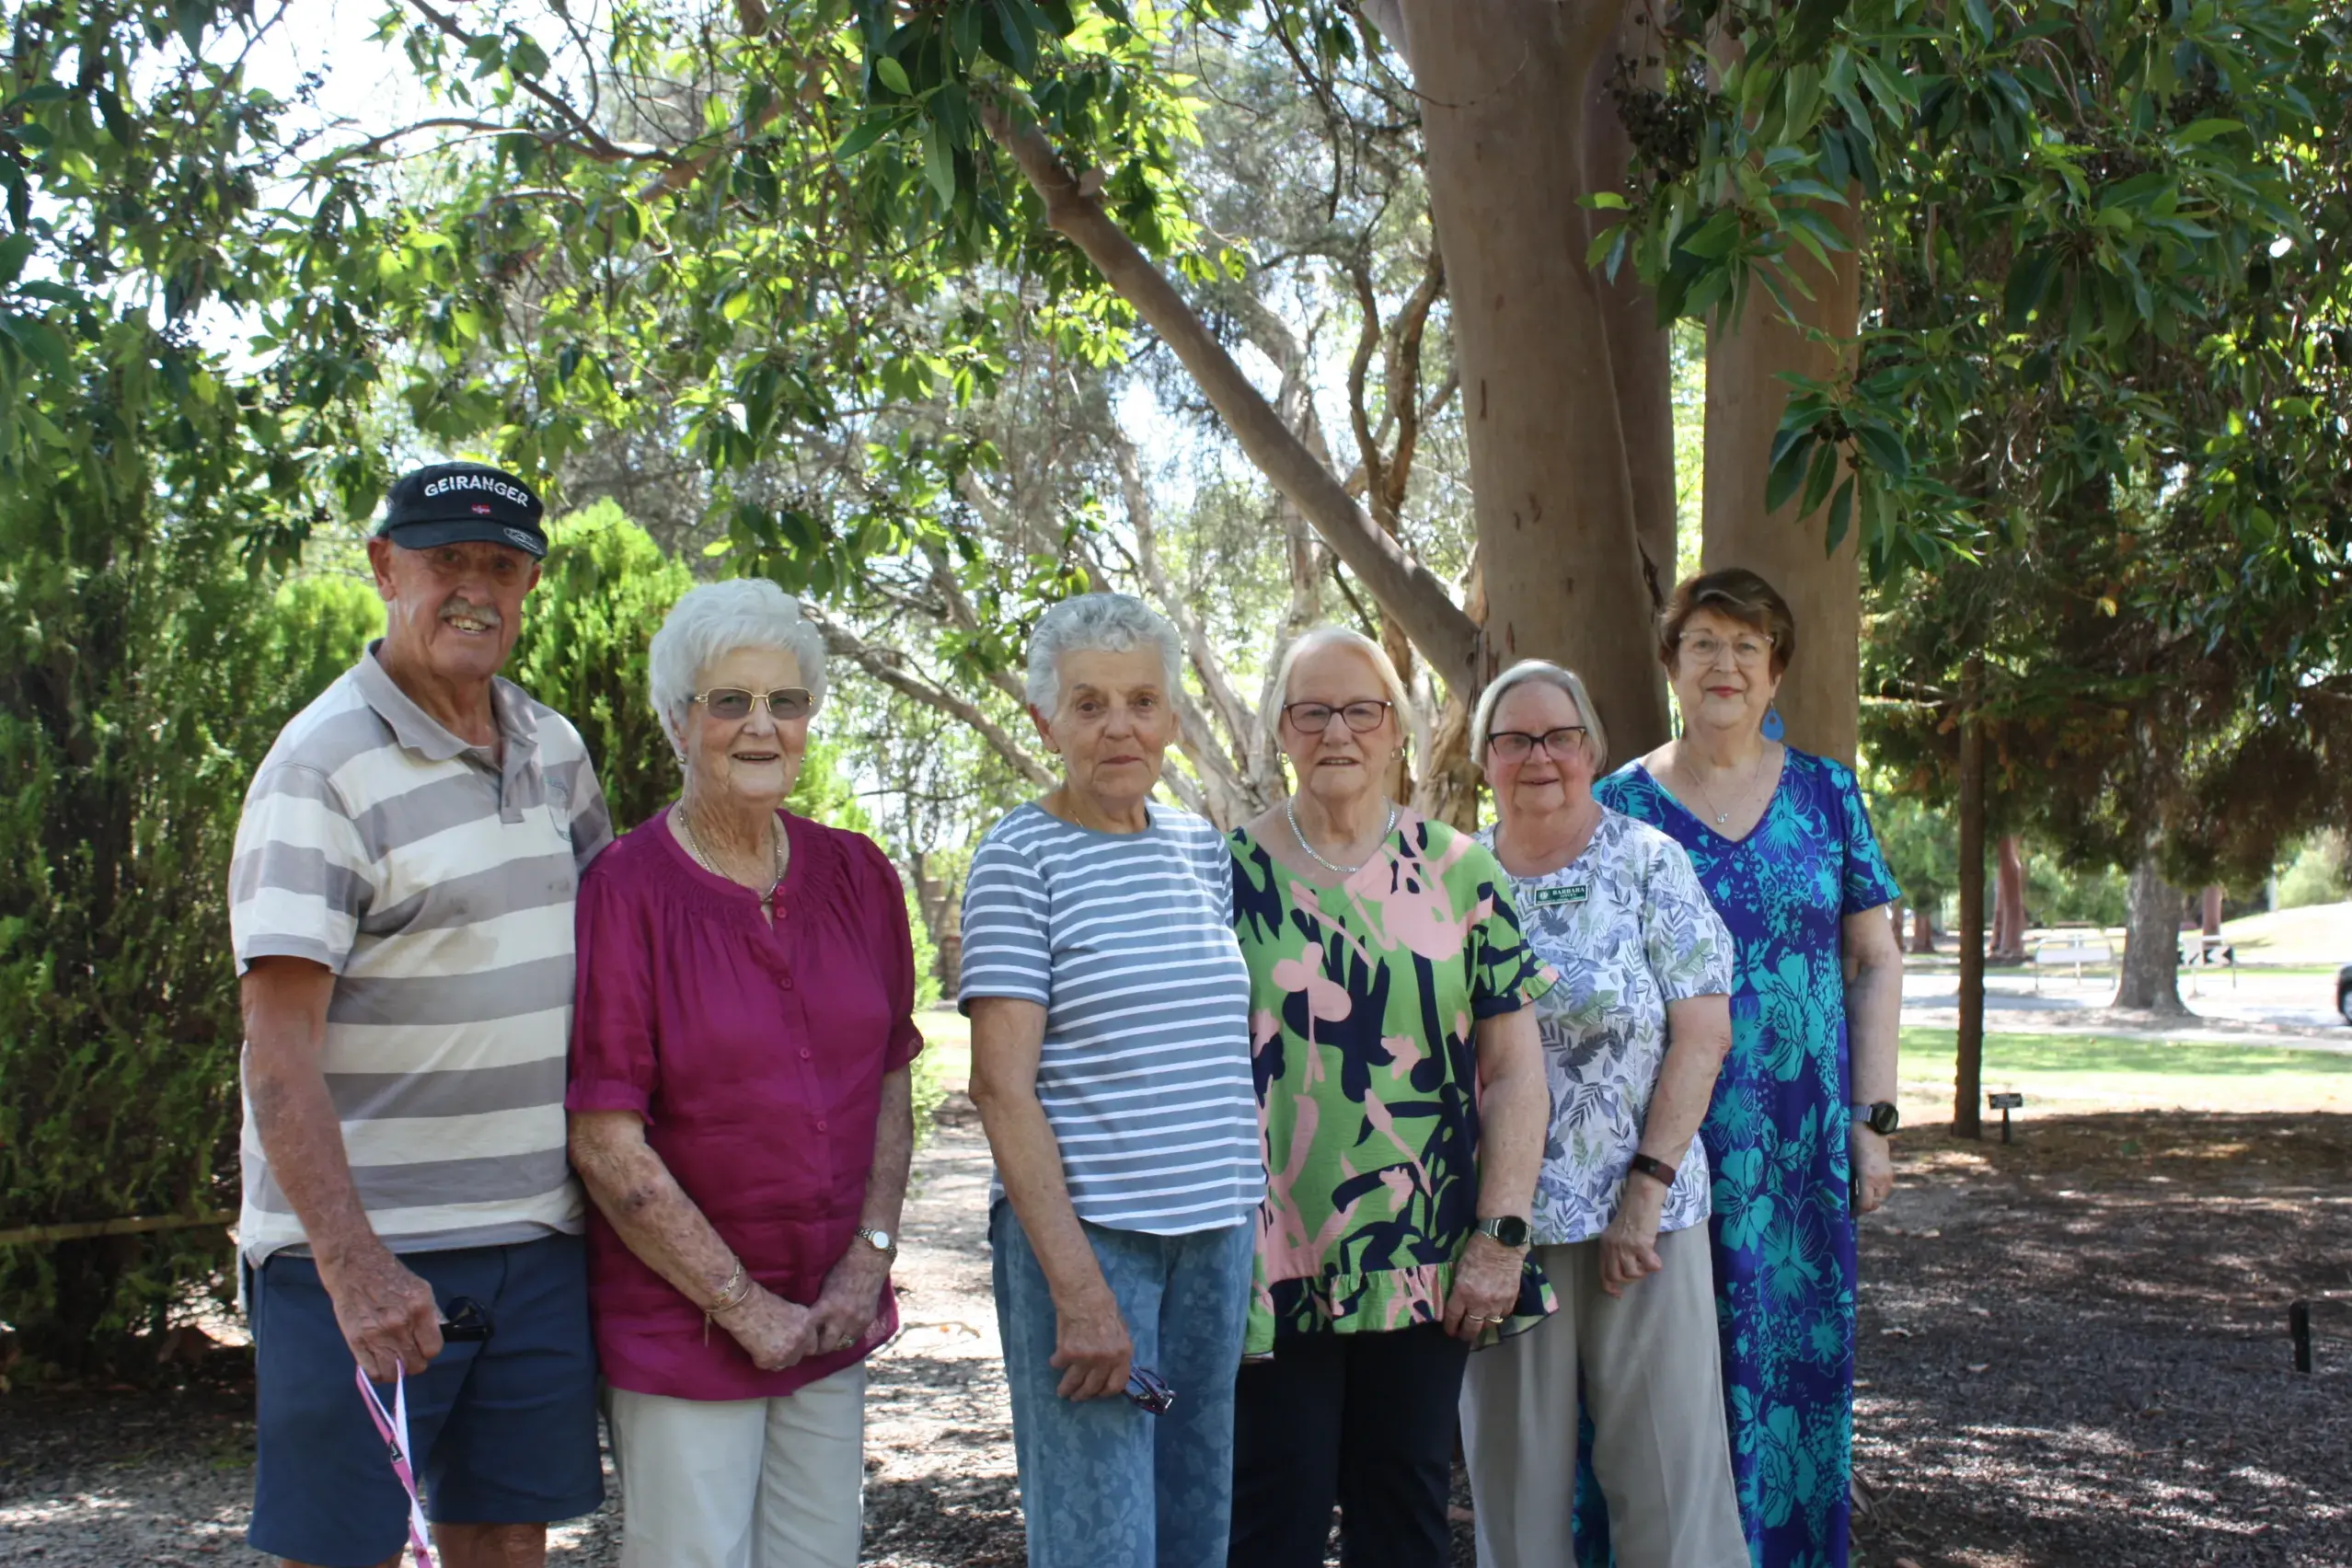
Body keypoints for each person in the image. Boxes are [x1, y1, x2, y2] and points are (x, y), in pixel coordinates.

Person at [230, 462, 612, 1568]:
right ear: (385, 568)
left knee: (502, 1536)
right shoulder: (319, 768)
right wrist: (354, 1265)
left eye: (503, 565)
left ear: (530, 584)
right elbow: (278, 1048)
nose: (476, 589)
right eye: (448, 561)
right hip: (357, 1253)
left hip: (535, 1237)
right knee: (344, 1551)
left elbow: (602, 971)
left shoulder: (556, 749)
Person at [567, 578, 922, 1568]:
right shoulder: (626, 892)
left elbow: (890, 1078)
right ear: (679, 723)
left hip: (829, 1311)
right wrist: (738, 1303)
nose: (761, 727)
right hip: (685, 1330)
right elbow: (604, 1139)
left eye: (786, 702)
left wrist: (870, 1258)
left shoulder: (859, 875)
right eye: (730, 702)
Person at [1591, 569, 1905, 1568]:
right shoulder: (1616, 808)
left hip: (1800, 1147)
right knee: (1655, 1382)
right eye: (1703, 642)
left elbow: (1873, 959)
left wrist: (1873, 1119)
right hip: (1656, 1150)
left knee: (1790, 1385)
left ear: (1775, 675)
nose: (1724, 663)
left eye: (1747, 646)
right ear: (1671, 664)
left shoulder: (1828, 794)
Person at [1227, 626, 1554, 1568]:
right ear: (1281, 732)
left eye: (1362, 710)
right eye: (1312, 711)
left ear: (1397, 731)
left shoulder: (1463, 873)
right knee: (1269, 1520)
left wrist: (1501, 1233)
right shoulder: (1222, 877)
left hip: (1425, 1256)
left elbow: (1518, 1070)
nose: (1338, 732)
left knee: (1404, 1517)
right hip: (1266, 1258)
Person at [961, 593, 1264, 1568]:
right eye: (1089, 704)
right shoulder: (1020, 858)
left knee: (1192, 1530)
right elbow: (1002, 1090)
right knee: (1103, 1545)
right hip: (1093, 1253)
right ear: (1047, 721)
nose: (1119, 726)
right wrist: (1082, 1292)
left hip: (1211, 1246)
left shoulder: (1197, 850)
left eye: (1141, 700)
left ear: (1173, 718)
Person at [1457, 660, 1747, 1568]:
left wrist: (1646, 1193)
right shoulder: (1446, 877)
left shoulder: (1650, 862)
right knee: (1513, 1488)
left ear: (1592, 750)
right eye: (1515, 740)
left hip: (1644, 1221)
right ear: (1484, 760)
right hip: (1499, 1233)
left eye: (1561, 737)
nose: (1540, 756)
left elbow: (1704, 1035)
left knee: (1669, 1483)